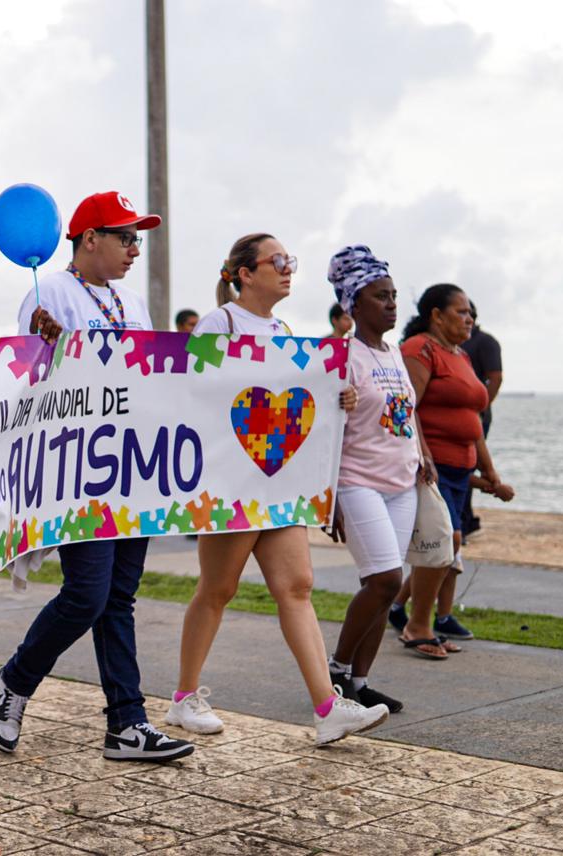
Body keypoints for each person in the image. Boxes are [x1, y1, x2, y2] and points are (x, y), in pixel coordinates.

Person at [0, 191, 195, 764]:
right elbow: (29, 375)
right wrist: (42, 343)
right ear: (88, 239)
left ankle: (127, 724)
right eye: (125, 236)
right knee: (86, 595)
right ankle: (14, 681)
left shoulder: (130, 301)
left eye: (138, 238)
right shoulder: (48, 292)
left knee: (118, 598)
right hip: (79, 470)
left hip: (131, 466)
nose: (133, 248)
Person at [163, 233, 388, 746]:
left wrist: (336, 394)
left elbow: (293, 396)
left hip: (278, 479)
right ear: (244, 272)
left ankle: (328, 707)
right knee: (217, 590)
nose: (289, 269)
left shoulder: (284, 328)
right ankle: (184, 698)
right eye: (278, 261)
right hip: (231, 480)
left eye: (291, 261)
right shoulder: (219, 323)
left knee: (297, 586)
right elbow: (191, 387)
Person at [323, 246, 432, 712]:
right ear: (354, 303)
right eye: (380, 296)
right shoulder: (341, 356)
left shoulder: (392, 354)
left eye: (392, 295)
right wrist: (331, 502)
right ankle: (335, 671)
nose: (391, 304)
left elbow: (407, 412)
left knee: (385, 584)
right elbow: (321, 431)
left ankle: (359, 683)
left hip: (401, 482)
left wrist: (422, 452)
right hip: (357, 481)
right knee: (385, 579)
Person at [387, 284, 515, 654]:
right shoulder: (418, 350)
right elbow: (407, 409)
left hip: (462, 470)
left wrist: (489, 471)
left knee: (447, 547)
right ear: (436, 315)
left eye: (470, 312)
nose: (469, 318)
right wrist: (423, 455)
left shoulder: (459, 354)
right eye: (460, 312)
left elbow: (471, 419)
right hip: (435, 467)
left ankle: (412, 617)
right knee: (447, 543)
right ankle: (417, 625)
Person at [459, 300, 502, 540]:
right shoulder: (455, 344)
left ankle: (465, 523)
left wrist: (481, 408)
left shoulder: (485, 342)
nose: (464, 318)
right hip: (460, 415)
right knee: (460, 467)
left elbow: (495, 378)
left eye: (466, 312)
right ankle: (466, 520)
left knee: (468, 465)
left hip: (477, 415)